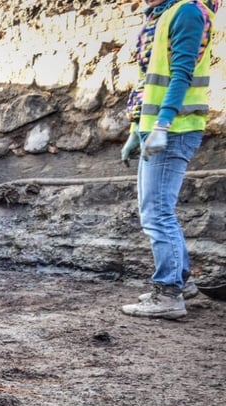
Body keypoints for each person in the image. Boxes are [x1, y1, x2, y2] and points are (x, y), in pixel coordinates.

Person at [119, 0, 218, 320]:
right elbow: (148, 79)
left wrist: (161, 125)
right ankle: (181, 283)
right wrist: (136, 130)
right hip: (157, 128)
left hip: (174, 128)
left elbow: (182, 75)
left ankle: (168, 294)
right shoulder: (160, 17)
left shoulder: (187, 12)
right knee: (155, 209)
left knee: (157, 213)